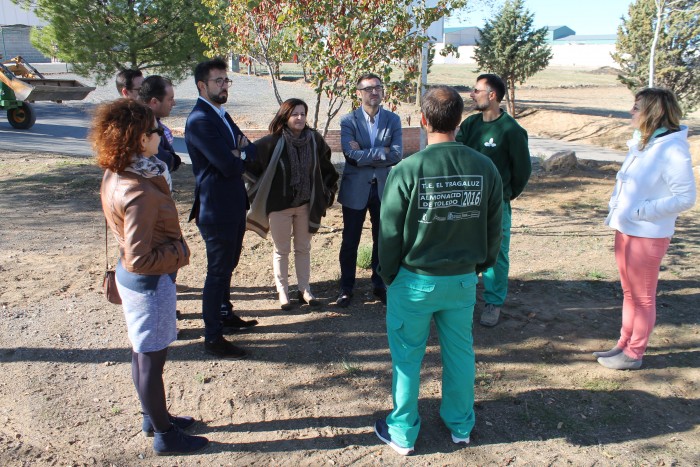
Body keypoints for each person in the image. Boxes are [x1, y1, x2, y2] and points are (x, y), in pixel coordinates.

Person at [374, 86, 503, 456]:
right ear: (460, 120)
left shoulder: (407, 169)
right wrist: (482, 266)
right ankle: (461, 425)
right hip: (462, 279)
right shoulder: (484, 166)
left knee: (407, 356)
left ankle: (402, 431)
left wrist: (389, 274)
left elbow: (389, 233)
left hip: (414, 281)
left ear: (423, 121)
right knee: (460, 353)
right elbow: (495, 228)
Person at [93, 99, 208, 455]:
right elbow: (142, 257)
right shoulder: (139, 191)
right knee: (150, 360)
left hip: (135, 281)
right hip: (149, 284)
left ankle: (153, 416)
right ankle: (165, 435)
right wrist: (181, 253)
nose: (162, 134)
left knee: (142, 355)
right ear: (140, 139)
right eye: (156, 130)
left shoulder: (121, 172)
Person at [594, 88, 696, 370]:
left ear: (654, 112)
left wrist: (642, 211)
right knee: (629, 293)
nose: (631, 111)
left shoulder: (672, 149)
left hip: (648, 234)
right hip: (626, 228)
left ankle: (635, 352)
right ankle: (623, 344)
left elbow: (685, 197)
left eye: (637, 107)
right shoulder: (646, 143)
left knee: (642, 296)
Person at [185, 58, 258, 359]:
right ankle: (212, 337)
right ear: (202, 86)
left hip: (233, 204)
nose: (224, 85)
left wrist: (238, 151)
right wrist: (237, 154)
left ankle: (226, 314)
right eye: (218, 81)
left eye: (226, 80)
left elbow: (249, 150)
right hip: (215, 209)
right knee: (217, 272)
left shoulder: (221, 114)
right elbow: (228, 165)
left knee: (228, 265)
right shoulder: (200, 120)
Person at [246, 99, 339, 310]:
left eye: (303, 114)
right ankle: (283, 291)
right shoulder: (272, 142)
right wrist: (259, 189)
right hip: (279, 207)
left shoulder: (314, 139)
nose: (299, 118)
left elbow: (326, 166)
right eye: (295, 114)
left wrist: (326, 190)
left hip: (306, 205)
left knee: (303, 248)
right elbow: (250, 164)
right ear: (285, 116)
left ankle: (304, 290)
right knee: (282, 250)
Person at [455, 73, 531, 327]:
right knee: (465, 250)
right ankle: (461, 298)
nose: (472, 94)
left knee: (496, 255)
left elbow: (522, 171)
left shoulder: (511, 130)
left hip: (495, 205)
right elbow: (457, 156)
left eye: (477, 90)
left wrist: (505, 194)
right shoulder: (470, 125)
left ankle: (493, 302)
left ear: (492, 95)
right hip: (466, 203)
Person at [336, 73, 403, 308]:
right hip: (355, 190)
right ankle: (346, 288)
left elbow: (396, 154)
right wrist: (380, 151)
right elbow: (350, 156)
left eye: (378, 87)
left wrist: (365, 153)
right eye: (368, 89)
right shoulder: (348, 121)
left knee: (382, 240)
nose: (374, 92)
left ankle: (379, 284)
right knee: (350, 241)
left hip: (384, 189)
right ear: (359, 93)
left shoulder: (393, 120)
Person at [138, 75, 182, 172]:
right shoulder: (142, 127)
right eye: (170, 99)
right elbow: (166, 161)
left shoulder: (153, 121)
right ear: (154, 102)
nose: (174, 103)